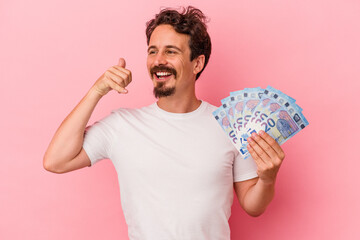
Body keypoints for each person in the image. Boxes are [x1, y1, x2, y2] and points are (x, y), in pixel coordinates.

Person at [43, 6, 285, 240]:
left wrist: (267, 178)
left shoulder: (230, 125)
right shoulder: (122, 125)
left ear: (197, 63)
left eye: (171, 51)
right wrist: (97, 90)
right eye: (152, 51)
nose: (158, 61)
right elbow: (56, 161)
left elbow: (253, 206)